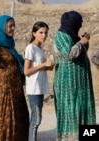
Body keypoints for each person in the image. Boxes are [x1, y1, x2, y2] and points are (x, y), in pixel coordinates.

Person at [52, 11, 96, 141]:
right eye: (79, 22)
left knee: (84, 109)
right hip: (68, 85)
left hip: (80, 85)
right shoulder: (61, 36)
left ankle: (87, 136)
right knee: (71, 111)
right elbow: (70, 55)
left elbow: (80, 52)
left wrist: (84, 42)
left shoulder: (71, 36)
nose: (80, 24)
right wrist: (81, 43)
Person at [24, 21, 54, 141]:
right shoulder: (30, 48)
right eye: (41, 32)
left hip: (40, 88)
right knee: (36, 119)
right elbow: (27, 71)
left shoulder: (40, 49)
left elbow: (40, 68)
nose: (44, 35)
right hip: (34, 88)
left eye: (46, 33)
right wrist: (43, 65)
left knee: (37, 118)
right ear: (34, 33)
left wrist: (48, 67)